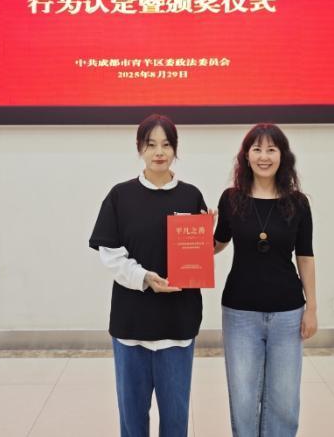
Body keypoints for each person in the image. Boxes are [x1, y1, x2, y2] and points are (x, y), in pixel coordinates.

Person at [89, 114, 209, 437]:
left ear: (175, 149)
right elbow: (110, 254)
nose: (159, 152)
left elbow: (197, 257)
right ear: (140, 148)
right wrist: (144, 277)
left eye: (166, 145)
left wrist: (205, 237)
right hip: (132, 326)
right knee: (132, 421)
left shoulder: (191, 195)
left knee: (176, 420)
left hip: (177, 324)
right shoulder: (120, 195)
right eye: (151, 144)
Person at [213, 123, 317, 437]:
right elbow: (217, 244)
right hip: (240, 313)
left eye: (271, 149)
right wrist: (192, 235)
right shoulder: (231, 199)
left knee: (284, 401)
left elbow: (305, 256)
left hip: (288, 313)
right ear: (246, 156)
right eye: (257, 149)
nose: (264, 156)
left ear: (283, 156)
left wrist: (311, 308)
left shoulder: (298, 203)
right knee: (243, 399)